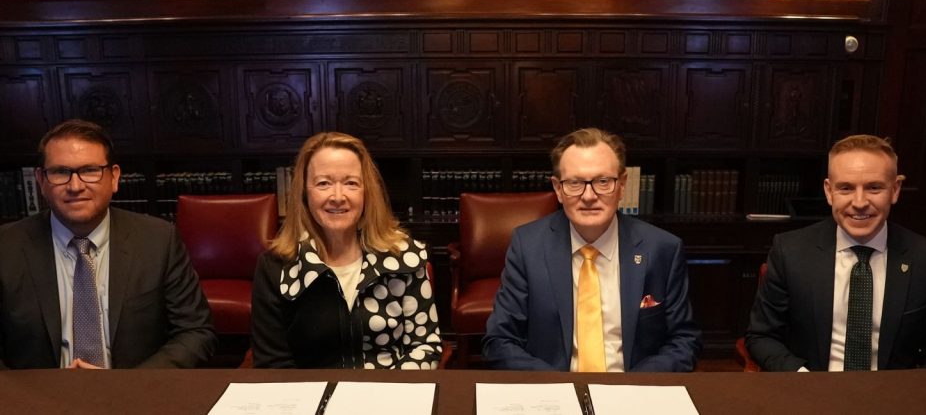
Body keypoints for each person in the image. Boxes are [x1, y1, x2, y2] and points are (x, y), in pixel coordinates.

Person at [0, 119, 216, 369]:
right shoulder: (6, 247)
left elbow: (196, 333)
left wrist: (127, 386)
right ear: (41, 180)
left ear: (114, 178)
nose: (75, 186)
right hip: (37, 401)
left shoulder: (158, 241)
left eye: (90, 170)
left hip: (136, 397)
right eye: (60, 172)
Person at [483, 127, 701, 372]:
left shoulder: (662, 248)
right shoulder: (528, 246)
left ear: (622, 185)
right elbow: (500, 341)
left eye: (602, 181)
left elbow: (684, 342)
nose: (589, 196)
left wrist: (630, 389)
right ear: (557, 189)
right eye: (575, 183)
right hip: (554, 394)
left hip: (632, 394)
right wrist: (560, 389)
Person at [745, 135, 926, 371]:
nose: (859, 202)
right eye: (846, 188)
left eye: (874, 187)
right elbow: (762, 337)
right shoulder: (790, 252)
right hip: (811, 394)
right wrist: (803, 380)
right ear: (829, 192)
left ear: (895, 190)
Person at [250, 132, 442, 368]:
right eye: (323, 183)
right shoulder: (276, 267)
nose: (338, 197)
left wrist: (384, 397)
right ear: (304, 193)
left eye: (351, 183)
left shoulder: (404, 258)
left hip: (390, 396)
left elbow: (425, 347)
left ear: (366, 193)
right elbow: (273, 365)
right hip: (312, 399)